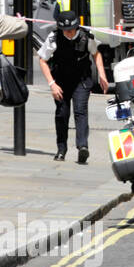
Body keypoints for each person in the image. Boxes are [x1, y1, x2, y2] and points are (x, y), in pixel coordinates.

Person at [38, 11, 108, 163]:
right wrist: (52, 84)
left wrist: (102, 75)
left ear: (76, 27)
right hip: (60, 82)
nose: (69, 33)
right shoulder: (53, 38)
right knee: (62, 114)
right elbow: (43, 60)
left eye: (71, 29)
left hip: (81, 80)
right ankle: (61, 149)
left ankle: (83, 147)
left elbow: (96, 54)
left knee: (80, 111)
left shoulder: (86, 37)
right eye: (66, 30)